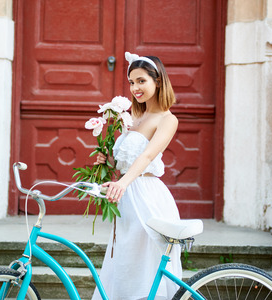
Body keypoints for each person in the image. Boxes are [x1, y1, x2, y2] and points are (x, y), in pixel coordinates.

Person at [91, 52, 182, 300]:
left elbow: (146, 157)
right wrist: (107, 161)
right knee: (125, 262)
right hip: (126, 197)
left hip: (148, 198)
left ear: (158, 81)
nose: (135, 88)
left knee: (146, 264)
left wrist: (122, 182)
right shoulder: (131, 117)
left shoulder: (167, 119)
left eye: (141, 81)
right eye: (132, 82)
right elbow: (124, 160)